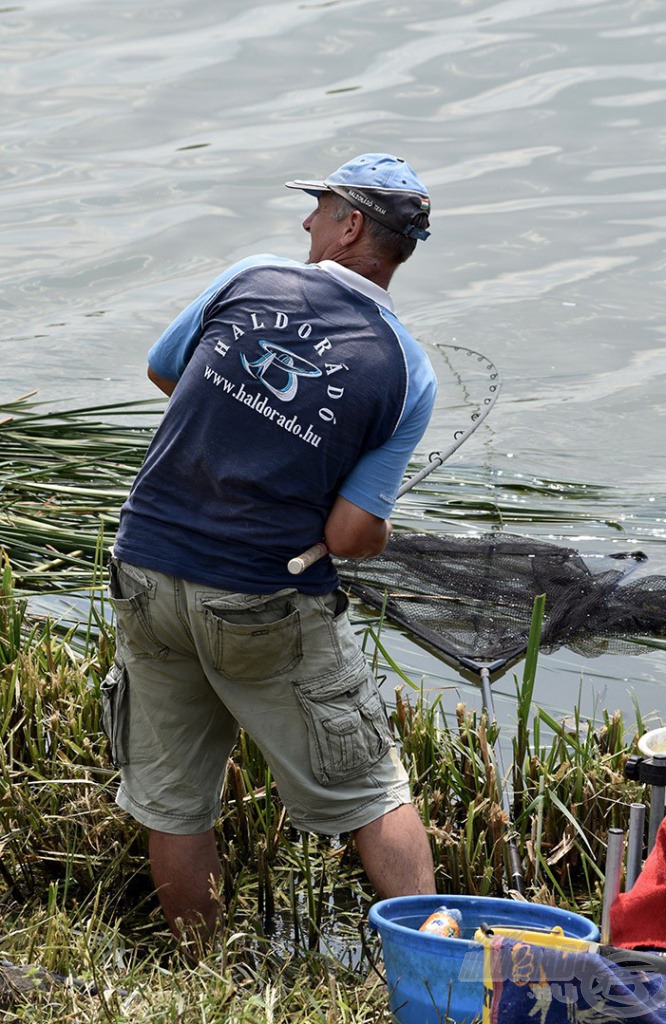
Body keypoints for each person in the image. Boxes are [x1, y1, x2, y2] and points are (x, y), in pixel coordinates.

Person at [104, 152, 438, 941]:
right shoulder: (405, 372)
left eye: (319, 208)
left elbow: (165, 371)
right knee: (369, 791)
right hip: (259, 600)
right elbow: (349, 539)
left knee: (173, 798)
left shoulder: (249, 276)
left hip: (145, 571)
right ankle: (432, 969)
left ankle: (205, 970)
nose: (304, 222)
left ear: (351, 225)